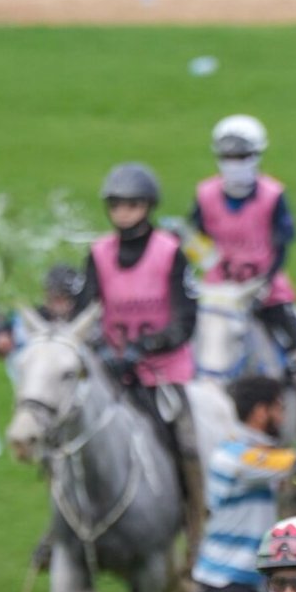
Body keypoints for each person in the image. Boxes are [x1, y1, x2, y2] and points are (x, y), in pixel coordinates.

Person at [74, 161, 207, 548]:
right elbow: (86, 312)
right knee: (69, 439)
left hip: (163, 375)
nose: (123, 213)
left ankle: (195, 520)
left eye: (131, 205)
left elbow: (186, 318)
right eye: (116, 205)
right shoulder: (98, 254)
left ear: (148, 206)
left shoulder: (171, 253)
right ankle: (64, 528)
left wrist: (145, 347)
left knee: (186, 442)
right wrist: (101, 348)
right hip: (113, 373)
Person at [189, 115, 296, 359]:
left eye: (241, 157)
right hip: (219, 288)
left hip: (264, 288)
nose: (234, 164)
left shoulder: (272, 195)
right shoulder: (206, 194)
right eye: (227, 157)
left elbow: (282, 244)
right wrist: (203, 259)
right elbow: (195, 237)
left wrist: (265, 284)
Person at [193, 377, 296, 592]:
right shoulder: (237, 455)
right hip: (228, 579)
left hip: (244, 579)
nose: (283, 418)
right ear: (261, 412)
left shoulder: (248, 451)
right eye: (279, 409)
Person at [0, 263, 84, 376]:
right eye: (55, 298)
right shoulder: (29, 322)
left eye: (65, 299)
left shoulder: (83, 325)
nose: (60, 305)